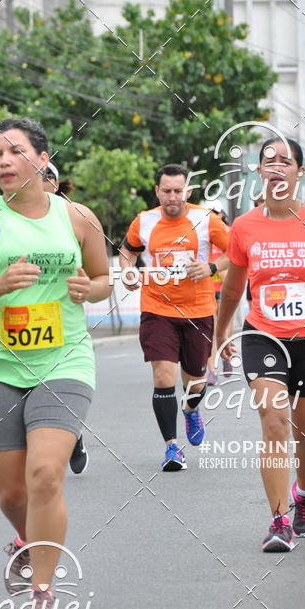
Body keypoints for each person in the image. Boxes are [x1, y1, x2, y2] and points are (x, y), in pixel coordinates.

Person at [0, 117, 110, 609]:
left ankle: (43, 591)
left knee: (44, 475)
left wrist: (91, 291)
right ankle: (25, 539)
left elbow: (105, 278)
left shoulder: (78, 217)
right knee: (13, 493)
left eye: (15, 151)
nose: (4, 161)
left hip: (65, 360)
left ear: (42, 159)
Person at [216, 137, 305, 551]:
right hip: (262, 336)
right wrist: (219, 334)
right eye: (268, 161)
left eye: (285, 161)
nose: (275, 167)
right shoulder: (245, 227)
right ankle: (279, 519)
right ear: (259, 172)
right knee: (273, 422)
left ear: (298, 172)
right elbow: (232, 290)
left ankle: (304, 493)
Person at [119, 164, 229, 472]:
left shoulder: (206, 220)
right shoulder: (144, 221)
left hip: (198, 310)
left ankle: (191, 409)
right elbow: (127, 251)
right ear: (157, 191)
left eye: (178, 191)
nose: (172, 197)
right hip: (158, 309)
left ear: (188, 192)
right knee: (163, 376)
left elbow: (236, 253)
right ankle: (171, 446)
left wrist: (210, 268)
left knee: (195, 379)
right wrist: (128, 270)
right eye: (166, 191)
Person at [42, 160, 88, 475]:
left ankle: (71, 432)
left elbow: (96, 271)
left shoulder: (72, 217)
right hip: (21, 314)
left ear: (57, 185)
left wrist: (89, 285)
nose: (41, 181)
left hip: (62, 314)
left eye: (48, 176)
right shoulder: (9, 216)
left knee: (57, 381)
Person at [206, 209, 231, 385]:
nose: (211, 215)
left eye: (215, 212)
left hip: (224, 287)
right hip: (206, 287)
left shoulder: (227, 232)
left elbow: (234, 258)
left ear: (221, 215)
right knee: (210, 329)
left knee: (222, 326)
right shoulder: (199, 232)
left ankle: (226, 355)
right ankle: (212, 371)